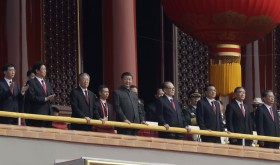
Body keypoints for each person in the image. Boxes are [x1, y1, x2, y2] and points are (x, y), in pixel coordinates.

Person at [25, 62, 56, 127]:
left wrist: (51, 98)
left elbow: (51, 94)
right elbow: (31, 97)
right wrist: (45, 99)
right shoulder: (31, 82)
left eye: (45, 69)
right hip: (37, 113)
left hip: (48, 113)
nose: (45, 71)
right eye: (43, 69)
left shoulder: (47, 82)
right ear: (37, 71)